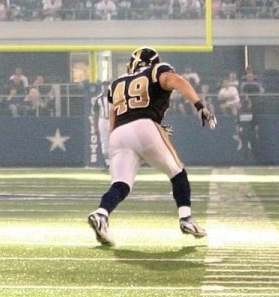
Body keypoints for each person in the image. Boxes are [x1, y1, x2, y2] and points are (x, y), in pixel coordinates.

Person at [87, 48, 216, 247]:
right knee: (177, 172)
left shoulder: (117, 83)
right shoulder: (157, 70)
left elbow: (115, 119)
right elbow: (178, 81)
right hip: (144, 126)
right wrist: (199, 105)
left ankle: (101, 214)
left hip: (118, 134)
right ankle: (186, 218)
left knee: (121, 184)